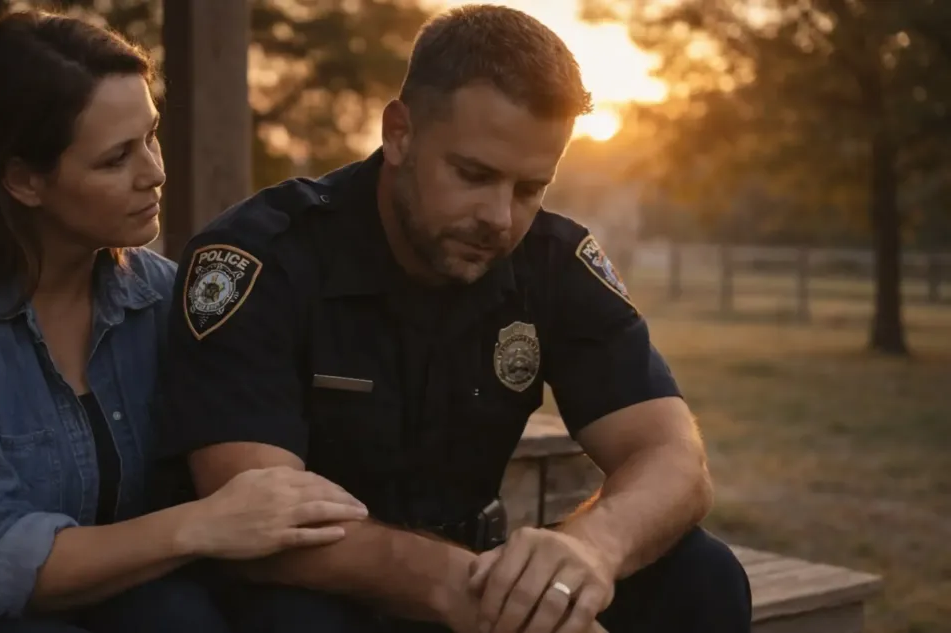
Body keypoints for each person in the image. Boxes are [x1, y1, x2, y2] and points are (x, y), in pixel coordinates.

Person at [0, 10, 369, 633]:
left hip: (98, 603)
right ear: (24, 180)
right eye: (115, 159)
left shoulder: (162, 296)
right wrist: (202, 524)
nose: (155, 172)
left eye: (151, 136)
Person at [161, 5, 753, 633]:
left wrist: (590, 549)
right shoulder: (263, 258)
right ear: (399, 134)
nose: (500, 217)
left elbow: (672, 458)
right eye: (474, 175)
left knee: (702, 573)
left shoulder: (553, 262)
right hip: (322, 580)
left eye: (530, 189)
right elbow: (254, 515)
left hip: (476, 568)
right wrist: (473, 591)